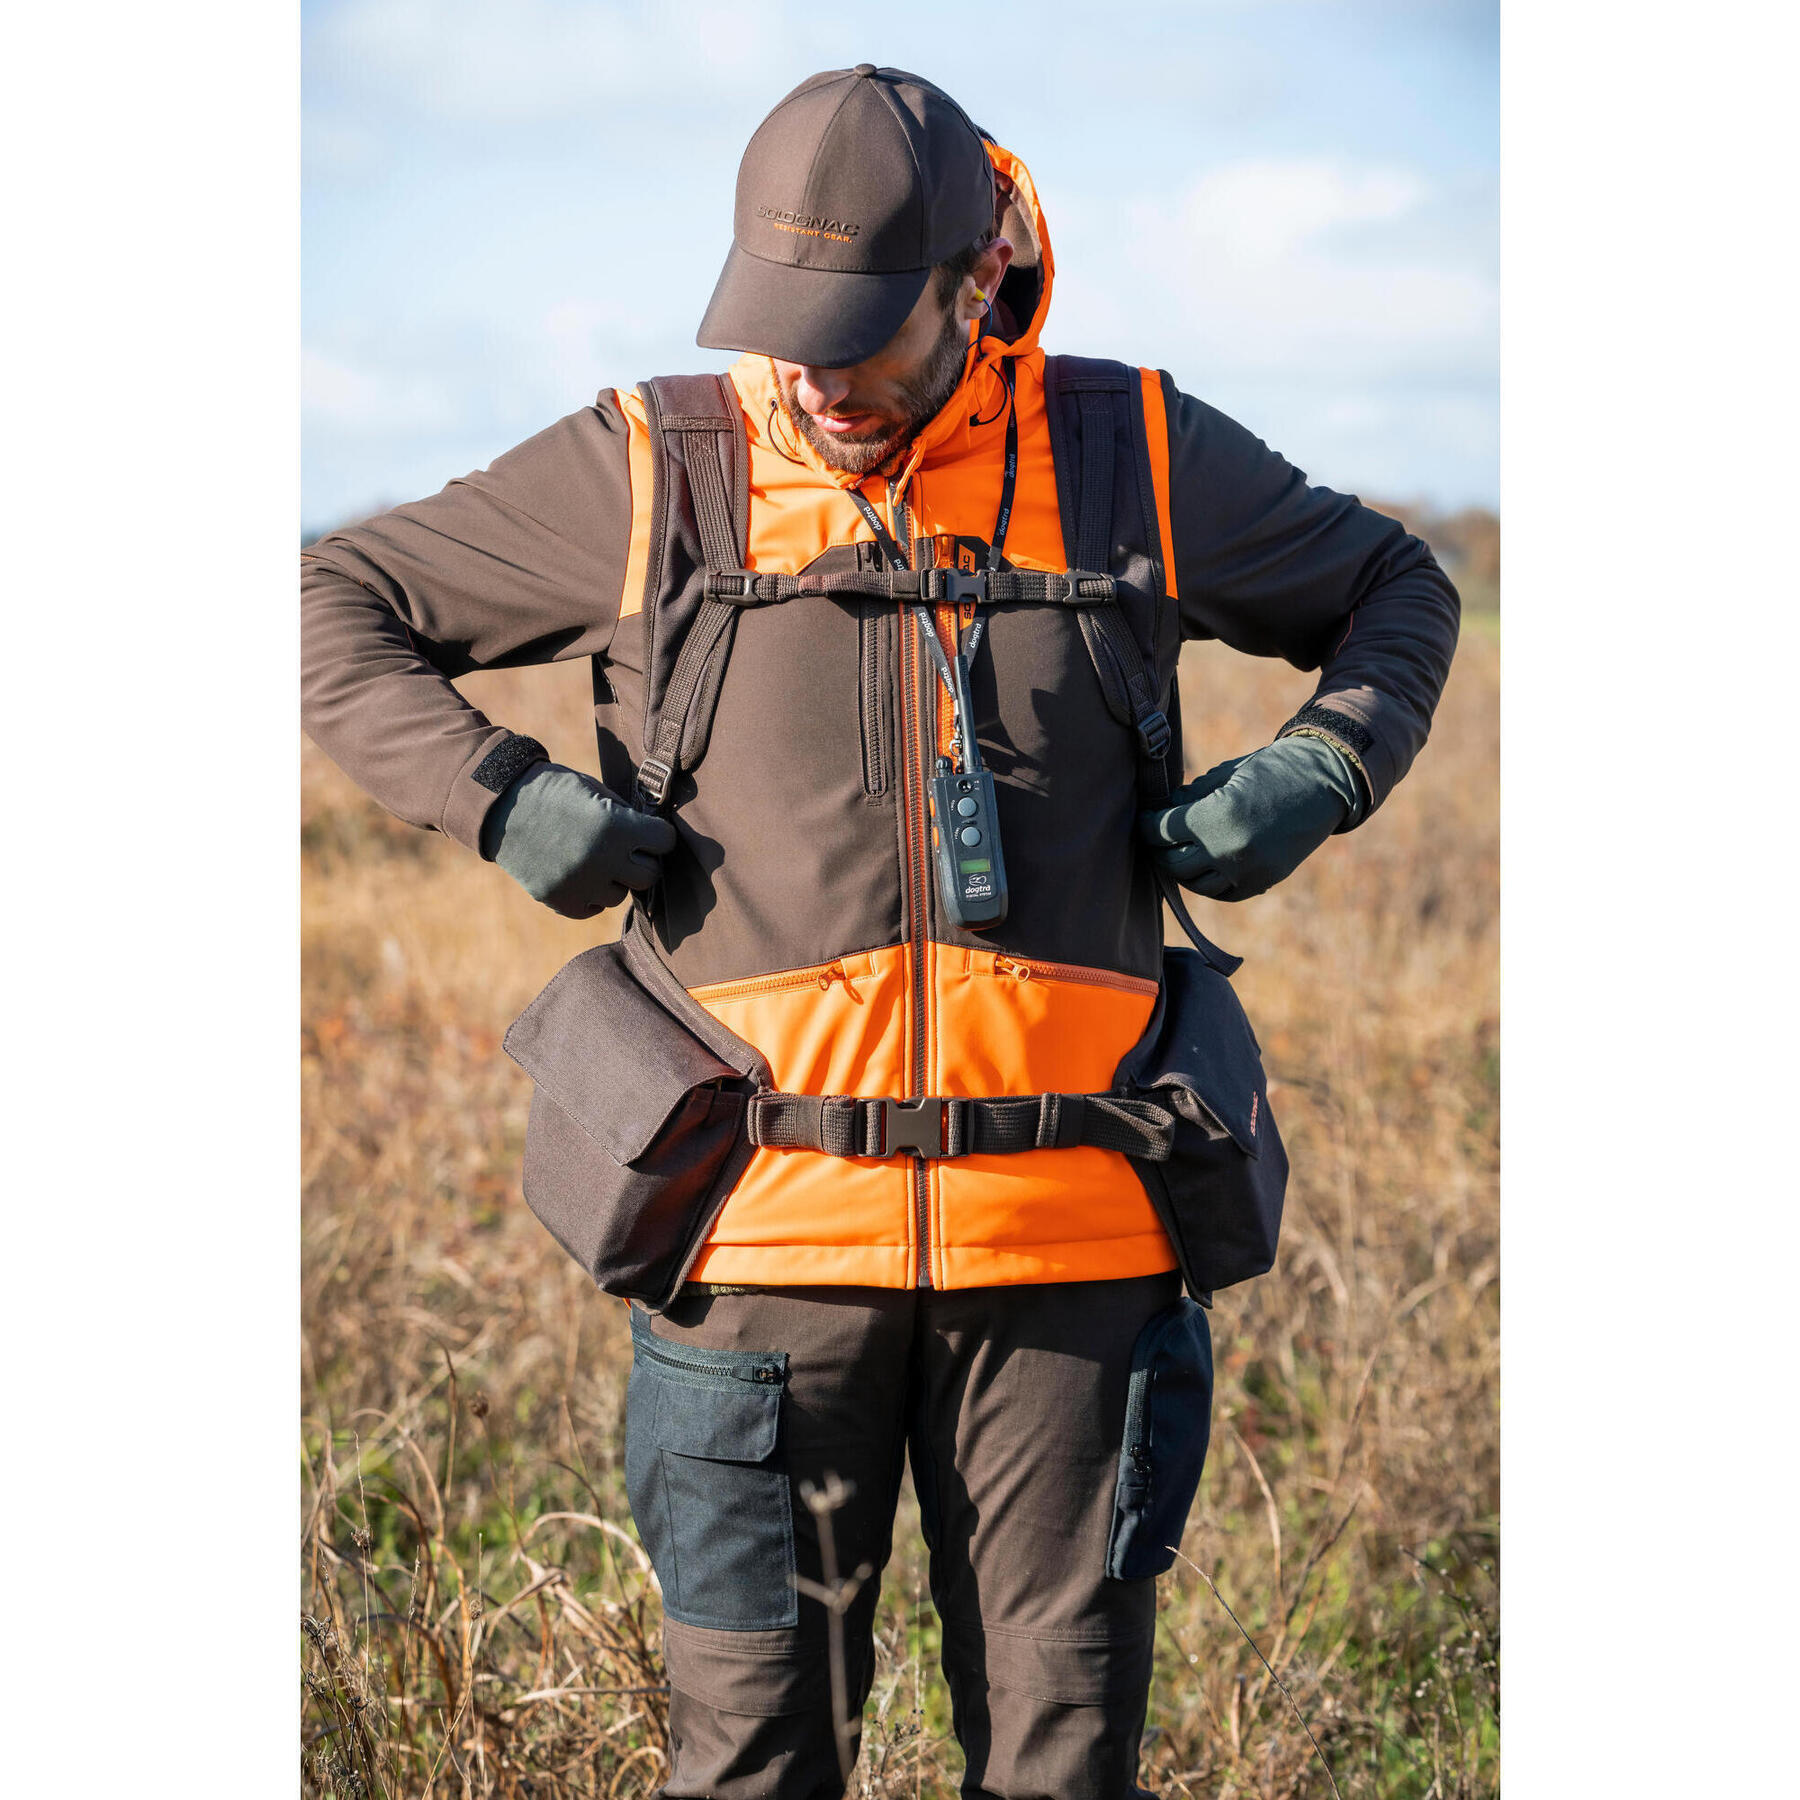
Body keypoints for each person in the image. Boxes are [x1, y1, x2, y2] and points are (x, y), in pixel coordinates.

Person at [302, 63, 1458, 1800]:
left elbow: (1397, 589)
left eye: (864, 330)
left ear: (972, 281)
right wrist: (498, 795)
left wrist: (1325, 766)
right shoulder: (652, 467)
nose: (820, 375)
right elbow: (337, 603)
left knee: (1062, 1770)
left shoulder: (1128, 449)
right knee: (755, 1767)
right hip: (757, 1259)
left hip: (1074, 1264)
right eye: (787, 325)